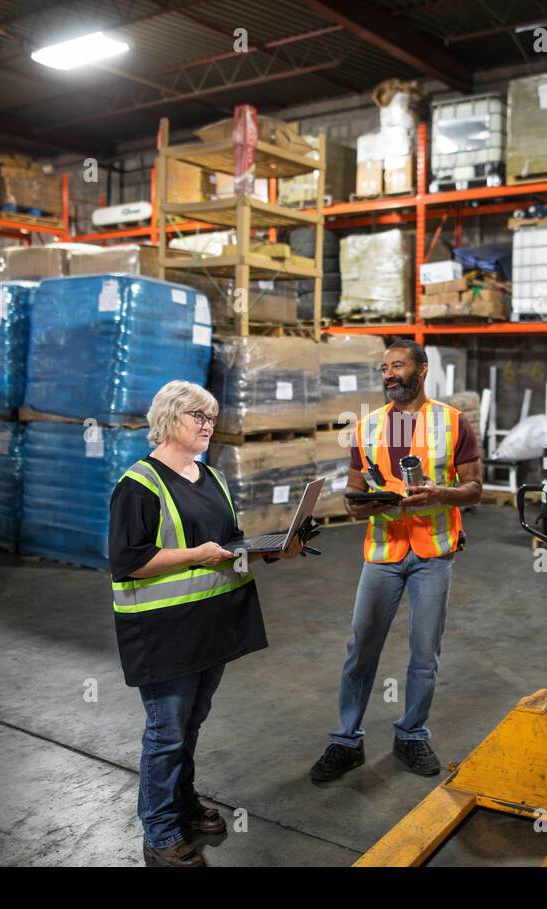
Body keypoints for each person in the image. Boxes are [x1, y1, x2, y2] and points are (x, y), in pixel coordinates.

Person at [110, 380, 303, 868]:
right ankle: (158, 831)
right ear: (170, 416)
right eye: (199, 415)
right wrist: (195, 555)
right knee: (166, 732)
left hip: (210, 626)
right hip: (164, 632)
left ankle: (182, 803)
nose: (207, 425)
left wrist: (274, 550)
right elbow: (129, 560)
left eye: (212, 418)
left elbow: (231, 546)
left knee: (190, 723)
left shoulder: (211, 478)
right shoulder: (139, 485)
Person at [309, 340, 483, 781]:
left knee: (425, 654)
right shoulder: (367, 427)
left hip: (433, 553)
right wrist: (358, 504)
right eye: (384, 367)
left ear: (421, 370)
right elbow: (352, 490)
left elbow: (476, 487)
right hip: (383, 550)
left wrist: (442, 493)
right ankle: (346, 741)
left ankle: (411, 734)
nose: (389, 374)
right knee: (360, 648)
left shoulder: (452, 422)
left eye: (398, 365)